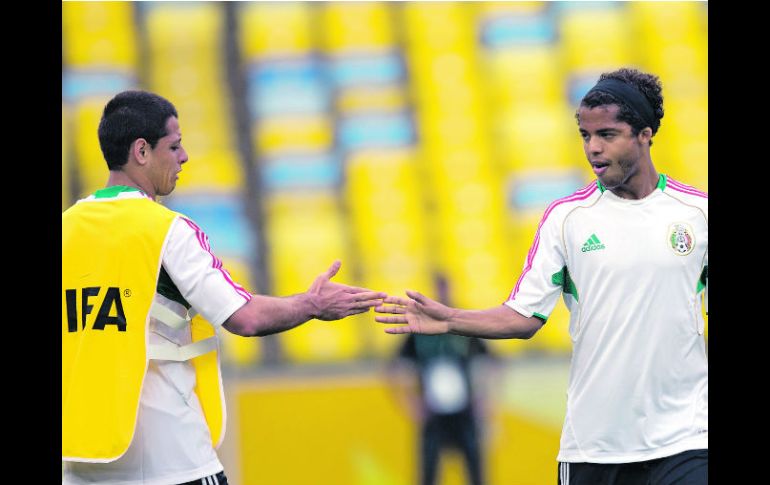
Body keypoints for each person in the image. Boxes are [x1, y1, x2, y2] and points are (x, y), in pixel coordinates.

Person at [375, 68, 707, 485]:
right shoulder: (566, 220)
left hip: (687, 439)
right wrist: (451, 320)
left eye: (607, 134)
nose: (593, 149)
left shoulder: (696, 214)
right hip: (595, 446)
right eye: (585, 136)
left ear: (644, 134)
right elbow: (524, 317)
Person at [62, 90, 386, 485]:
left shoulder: (67, 230)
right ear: (141, 151)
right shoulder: (165, 230)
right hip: (172, 460)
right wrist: (312, 303)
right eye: (175, 146)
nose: (184, 157)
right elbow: (244, 318)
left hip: (84, 463)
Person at [387, 275, 494, 485]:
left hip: (465, 412)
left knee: (476, 473)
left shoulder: (464, 325)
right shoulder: (420, 329)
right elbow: (394, 368)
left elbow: (490, 362)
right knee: (428, 473)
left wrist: (485, 400)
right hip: (433, 413)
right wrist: (410, 404)